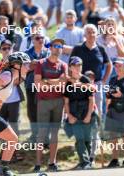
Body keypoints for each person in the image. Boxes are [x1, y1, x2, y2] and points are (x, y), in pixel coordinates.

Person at [70, 24, 112, 162]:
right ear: (84, 34)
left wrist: (104, 81)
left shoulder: (100, 48)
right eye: (88, 32)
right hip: (79, 86)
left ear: (97, 34)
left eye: (93, 32)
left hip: (97, 85)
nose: (91, 34)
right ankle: (83, 144)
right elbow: (70, 66)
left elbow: (109, 64)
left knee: (96, 113)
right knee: (81, 113)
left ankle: (96, 139)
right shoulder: (77, 48)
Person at [34, 38, 68, 172]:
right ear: (50, 47)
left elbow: (63, 84)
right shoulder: (41, 64)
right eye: (55, 45)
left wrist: (47, 81)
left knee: (55, 133)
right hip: (43, 102)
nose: (58, 48)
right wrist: (55, 81)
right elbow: (38, 84)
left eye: (60, 46)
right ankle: (37, 164)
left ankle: (52, 163)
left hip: (58, 102)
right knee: (41, 133)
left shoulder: (63, 65)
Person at [64, 56, 95, 170]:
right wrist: (69, 115)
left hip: (86, 112)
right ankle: (85, 162)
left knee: (87, 139)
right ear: (70, 67)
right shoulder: (68, 83)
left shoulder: (86, 80)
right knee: (80, 138)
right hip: (74, 112)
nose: (77, 68)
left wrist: (89, 115)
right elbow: (66, 101)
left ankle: (87, 161)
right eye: (74, 66)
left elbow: (91, 99)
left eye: (79, 65)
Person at [25, 33, 50, 142]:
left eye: (42, 38)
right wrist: (31, 66)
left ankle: (45, 137)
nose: (40, 40)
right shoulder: (26, 54)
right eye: (37, 38)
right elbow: (24, 69)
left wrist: (38, 64)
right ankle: (35, 134)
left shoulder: (49, 52)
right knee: (32, 111)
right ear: (32, 40)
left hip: (45, 86)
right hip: (31, 85)